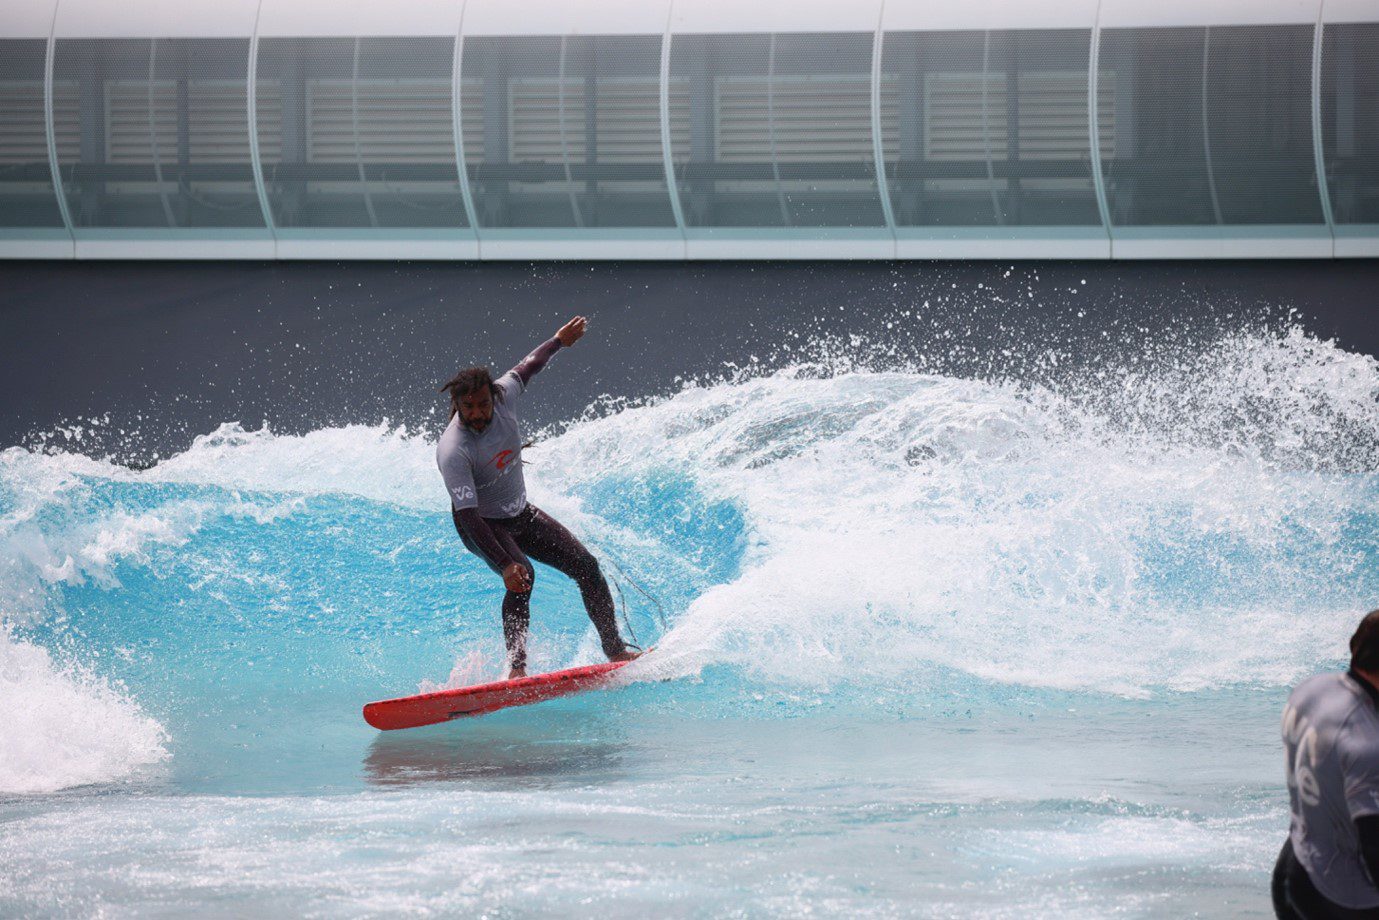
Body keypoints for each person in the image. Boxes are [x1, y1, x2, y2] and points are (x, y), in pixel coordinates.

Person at [436, 315, 639, 679]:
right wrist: (504, 565)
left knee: (587, 568)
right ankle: (516, 668)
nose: (478, 414)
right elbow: (468, 516)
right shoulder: (453, 450)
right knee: (522, 574)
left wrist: (558, 340)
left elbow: (529, 366)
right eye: (469, 408)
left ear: (492, 397)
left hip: (519, 513)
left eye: (482, 404)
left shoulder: (505, 393)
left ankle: (615, 651)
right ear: (457, 405)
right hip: (481, 523)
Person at [1274, 609, 1379, 919]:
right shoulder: (1366, 744)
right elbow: (1374, 850)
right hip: (1339, 898)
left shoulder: (1311, 691)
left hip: (1293, 868)